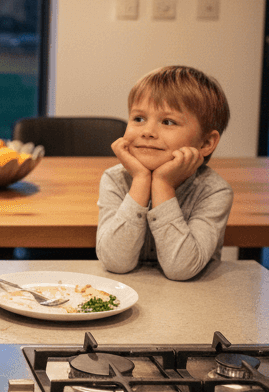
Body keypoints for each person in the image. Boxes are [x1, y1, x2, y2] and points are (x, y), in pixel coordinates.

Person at [95, 64, 233, 281]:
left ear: (206, 142)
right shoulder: (115, 179)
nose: (147, 132)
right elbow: (115, 262)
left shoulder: (214, 191)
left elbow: (181, 269)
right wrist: (141, 180)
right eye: (138, 118)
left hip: (193, 307)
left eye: (168, 122)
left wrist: (163, 185)